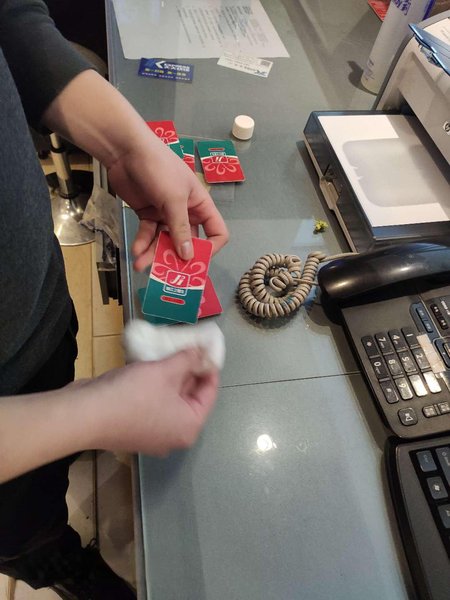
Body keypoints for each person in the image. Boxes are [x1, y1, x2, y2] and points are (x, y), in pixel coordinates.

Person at [0, 0, 229, 598]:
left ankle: (50, 464)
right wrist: (89, 412)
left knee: (52, 398)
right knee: (21, 526)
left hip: (37, 303)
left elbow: (11, 15)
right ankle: (50, 561)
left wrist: (129, 147)